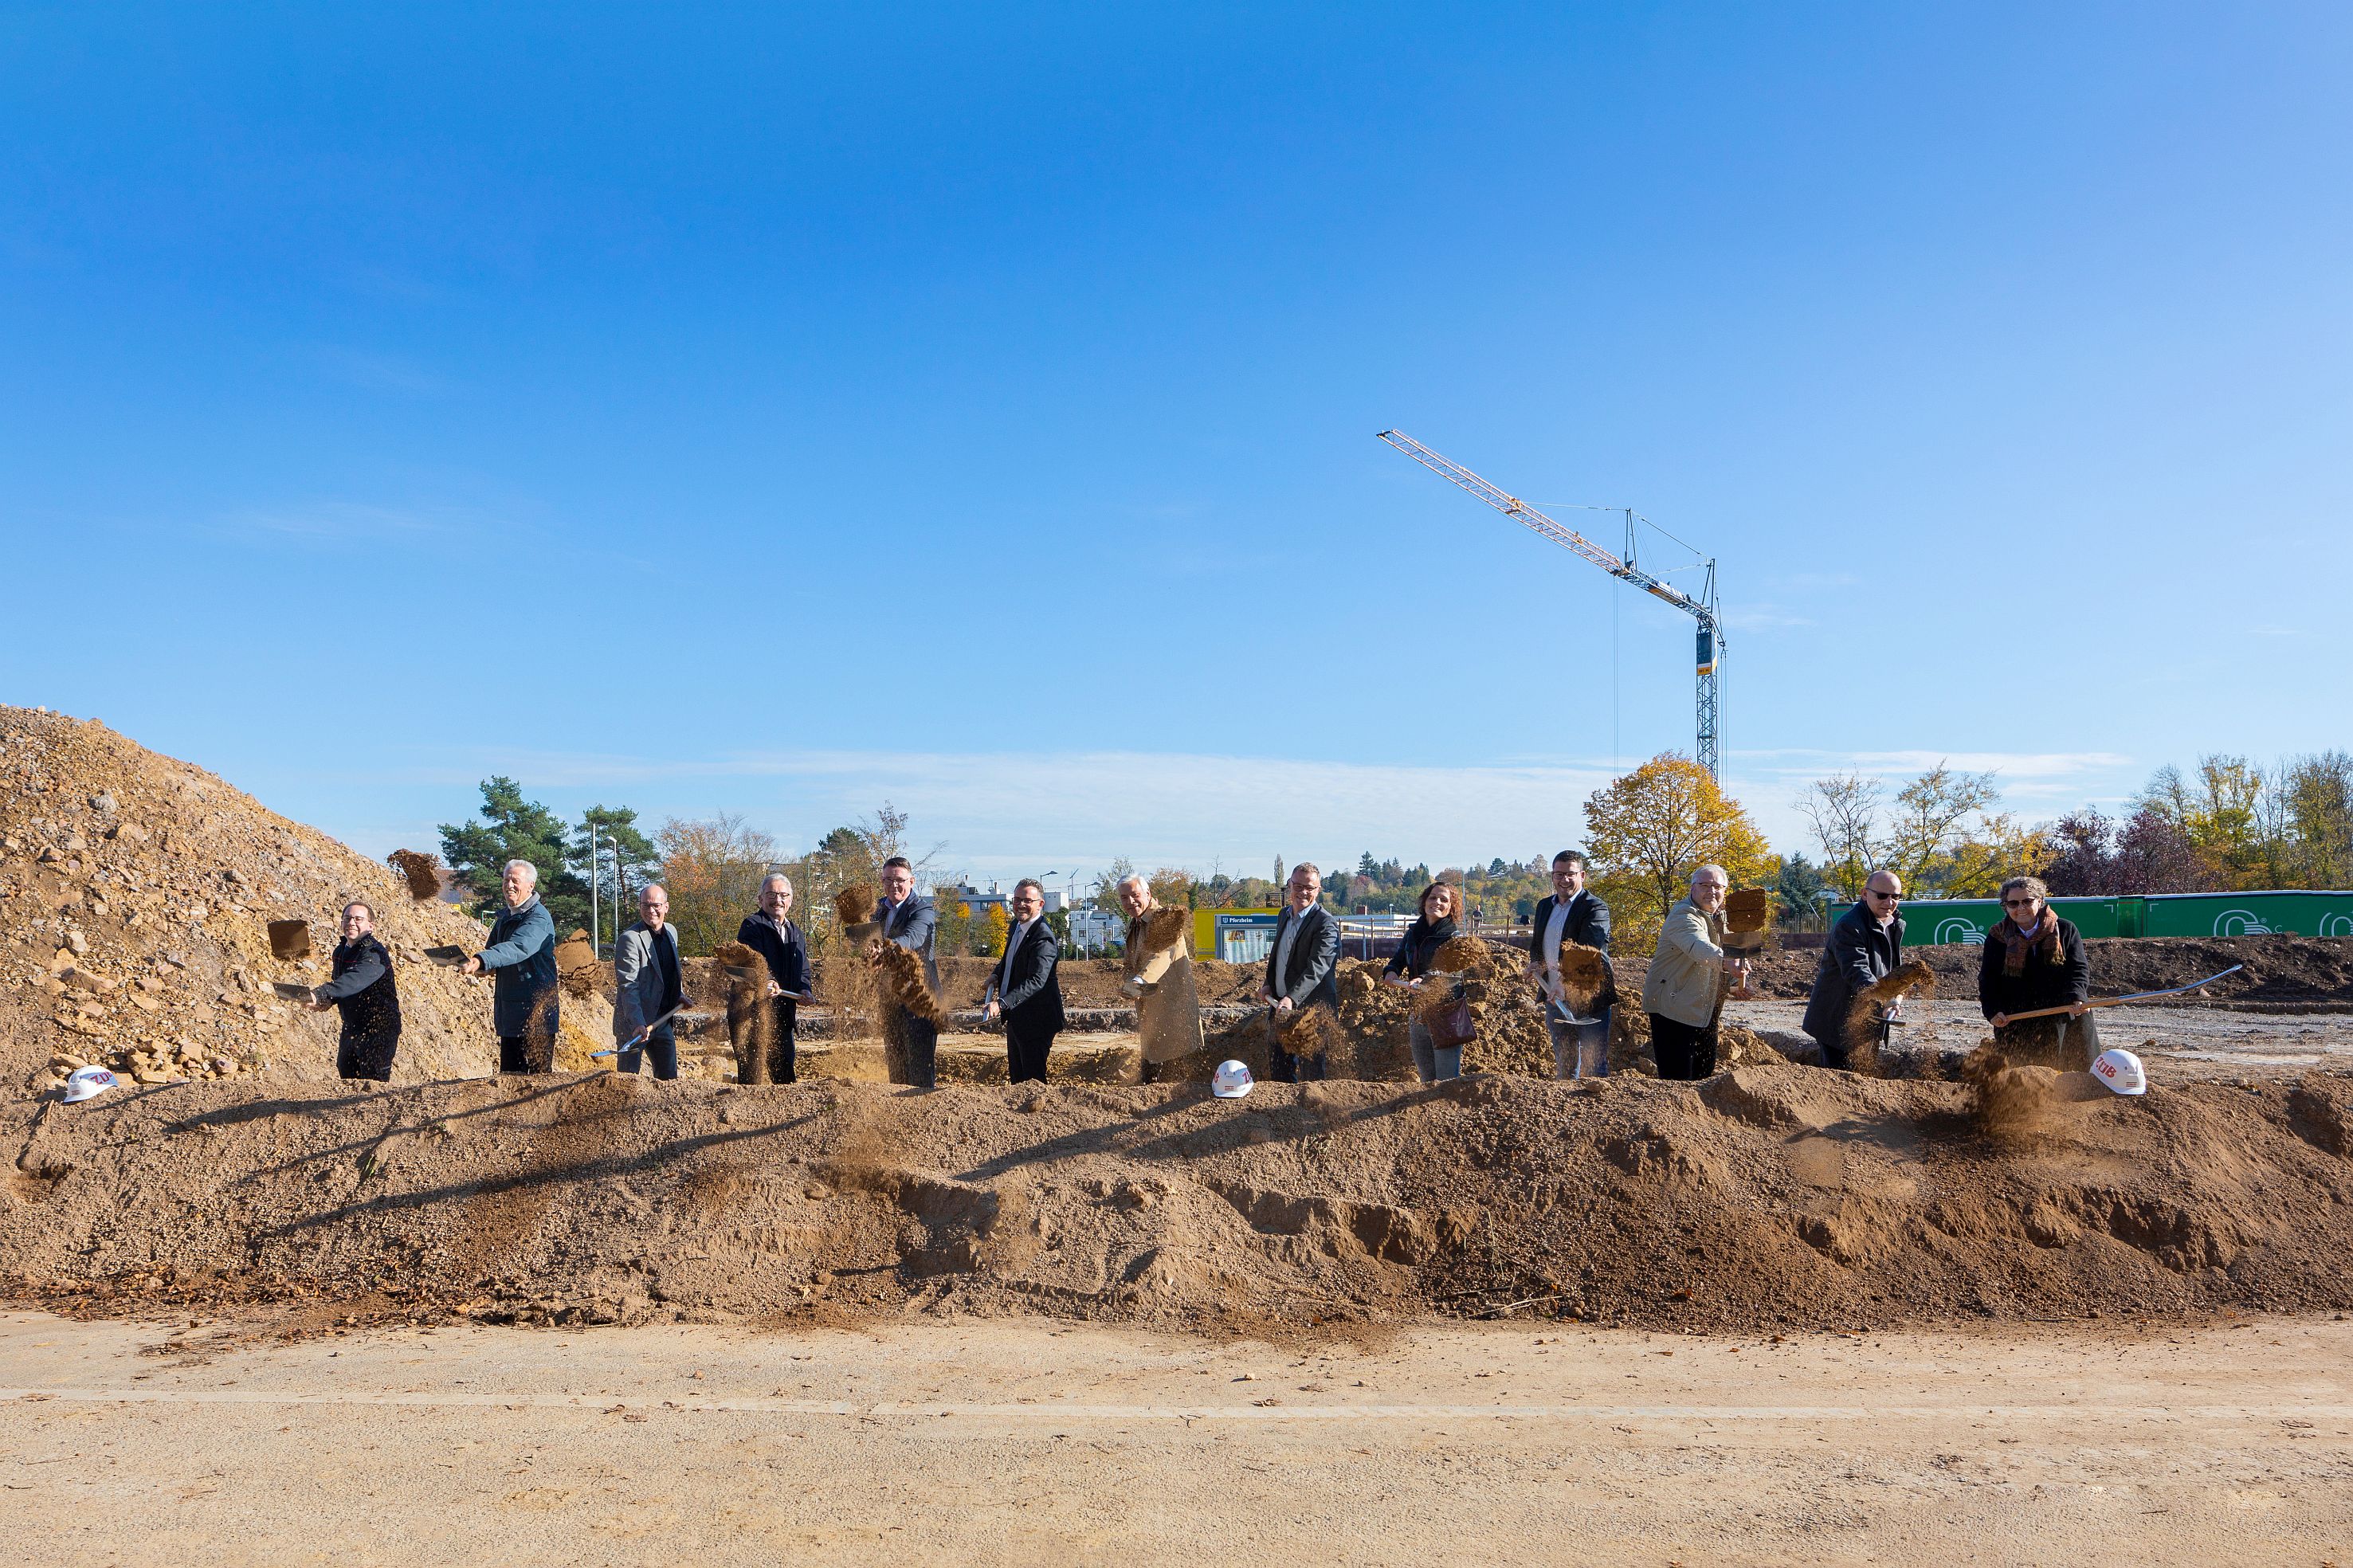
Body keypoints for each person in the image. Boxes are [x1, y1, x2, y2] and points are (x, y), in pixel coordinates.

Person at [1979, 875, 2096, 1069]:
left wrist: (2077, 996)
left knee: (2074, 1076)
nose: (2020, 908)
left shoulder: (2065, 929)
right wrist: (1992, 1010)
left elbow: (2078, 968)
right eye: (2013, 903)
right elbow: (1988, 979)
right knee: (2023, 1079)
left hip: (2063, 1014)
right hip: (2018, 1020)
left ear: (2040, 901)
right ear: (2006, 906)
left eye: (2027, 901)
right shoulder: (1996, 937)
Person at [1641, 864, 1743, 1080]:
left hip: (1704, 1008)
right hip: (1673, 1007)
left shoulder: (1721, 919)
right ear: (1692, 888)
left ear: (1725, 890)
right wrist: (1727, 962)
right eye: (1705, 885)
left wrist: (1736, 983)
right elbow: (1699, 946)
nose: (1711, 891)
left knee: (1703, 1076)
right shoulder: (1683, 915)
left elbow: (1729, 956)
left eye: (1717, 886)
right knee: (1677, 1079)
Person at [1801, 871, 1906, 1070]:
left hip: (1869, 1018)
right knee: (1840, 1083)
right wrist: (1885, 997)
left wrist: (1898, 988)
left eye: (1896, 896)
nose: (1890, 902)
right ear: (1865, 894)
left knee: (1862, 1078)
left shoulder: (1893, 924)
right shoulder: (1849, 926)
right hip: (1837, 1023)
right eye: (1882, 896)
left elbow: (1889, 968)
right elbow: (1857, 970)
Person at [1524, 851, 1614, 1080]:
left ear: (1582, 875)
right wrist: (1537, 964)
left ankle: (1595, 1102)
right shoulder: (1545, 906)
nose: (1564, 880)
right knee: (1565, 1066)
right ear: (1552, 876)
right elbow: (1538, 943)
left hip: (1589, 998)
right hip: (1555, 999)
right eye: (1559, 874)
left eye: (1570, 874)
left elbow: (1587, 951)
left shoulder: (1595, 908)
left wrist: (1564, 983)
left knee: (1594, 1067)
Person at [463, 859, 559, 1072]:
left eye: (515, 880)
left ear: (530, 886)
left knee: (536, 1083)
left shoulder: (538, 918)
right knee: (509, 1079)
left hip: (535, 1014)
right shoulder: (505, 917)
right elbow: (496, 952)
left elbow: (518, 947)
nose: (509, 885)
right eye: (506, 880)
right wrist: (485, 968)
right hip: (510, 1013)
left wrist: (482, 960)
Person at [1383, 880, 1469, 1083]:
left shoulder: (1454, 938)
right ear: (1424, 902)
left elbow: (1450, 972)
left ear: (1451, 907)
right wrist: (1391, 971)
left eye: (1444, 900)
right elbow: (1398, 959)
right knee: (1427, 1079)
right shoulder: (1413, 933)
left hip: (1446, 1015)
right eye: (1433, 897)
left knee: (1446, 1080)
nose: (1437, 902)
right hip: (1418, 1012)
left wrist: (1425, 979)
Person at [1261, 863, 1339, 1082]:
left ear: (1318, 890)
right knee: (1280, 1073)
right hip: (1281, 1008)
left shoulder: (1325, 924)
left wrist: (1291, 998)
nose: (1303, 892)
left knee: (1312, 1077)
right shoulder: (1284, 915)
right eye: (1298, 886)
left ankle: (1313, 1107)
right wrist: (1269, 983)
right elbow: (1281, 956)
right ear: (1289, 885)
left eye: (1310, 888)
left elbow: (1318, 967)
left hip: (1311, 1012)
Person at [1119, 874, 1202, 1080]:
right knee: (1152, 1070)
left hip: (1175, 1009)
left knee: (1176, 1077)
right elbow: (1129, 962)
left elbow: (1164, 954)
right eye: (1124, 897)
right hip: (1151, 1011)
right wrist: (1127, 982)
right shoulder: (1134, 924)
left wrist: (1139, 981)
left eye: (1135, 895)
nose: (1130, 901)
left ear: (1148, 894)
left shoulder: (1166, 918)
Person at [308, 900, 401, 1081]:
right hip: (352, 1024)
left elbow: (356, 980)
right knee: (346, 1072)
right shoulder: (341, 951)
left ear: (371, 926)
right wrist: (328, 1001)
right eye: (347, 918)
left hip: (380, 1027)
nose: (351, 923)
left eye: (358, 919)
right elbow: (342, 982)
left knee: (372, 1082)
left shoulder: (375, 953)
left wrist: (321, 993)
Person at [985, 878, 1065, 1084]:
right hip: (1018, 1015)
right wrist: (997, 974)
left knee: (1032, 1080)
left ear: (1040, 904)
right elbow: (1010, 958)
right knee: (1018, 1079)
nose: (1021, 904)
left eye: (1027, 900)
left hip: (1038, 1019)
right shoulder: (1016, 926)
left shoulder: (1043, 937)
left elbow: (1037, 980)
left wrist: (1002, 1004)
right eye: (1017, 900)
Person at [736, 873, 813, 1084]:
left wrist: (804, 989)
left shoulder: (796, 933)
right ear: (761, 899)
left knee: (785, 1078)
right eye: (771, 894)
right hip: (752, 1014)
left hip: (783, 1015)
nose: (777, 900)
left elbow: (803, 969)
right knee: (751, 1078)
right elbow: (751, 961)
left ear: (791, 900)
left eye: (783, 895)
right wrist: (767, 980)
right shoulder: (752, 926)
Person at [872, 857, 940, 1088]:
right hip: (890, 999)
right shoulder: (878, 909)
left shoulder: (923, 910)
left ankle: (922, 1110)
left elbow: (912, 938)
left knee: (920, 1069)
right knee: (897, 1065)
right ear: (882, 881)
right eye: (888, 880)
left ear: (911, 881)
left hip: (920, 999)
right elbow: (866, 939)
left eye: (899, 880)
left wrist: (886, 948)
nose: (894, 885)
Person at [612, 884, 686, 1080]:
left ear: (666, 907)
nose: (650, 910)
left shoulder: (671, 933)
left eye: (656, 905)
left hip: (662, 1021)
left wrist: (679, 994)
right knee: (628, 1082)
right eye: (645, 905)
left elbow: (670, 972)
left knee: (669, 1080)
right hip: (634, 1025)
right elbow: (628, 985)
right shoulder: (630, 939)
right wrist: (637, 1022)